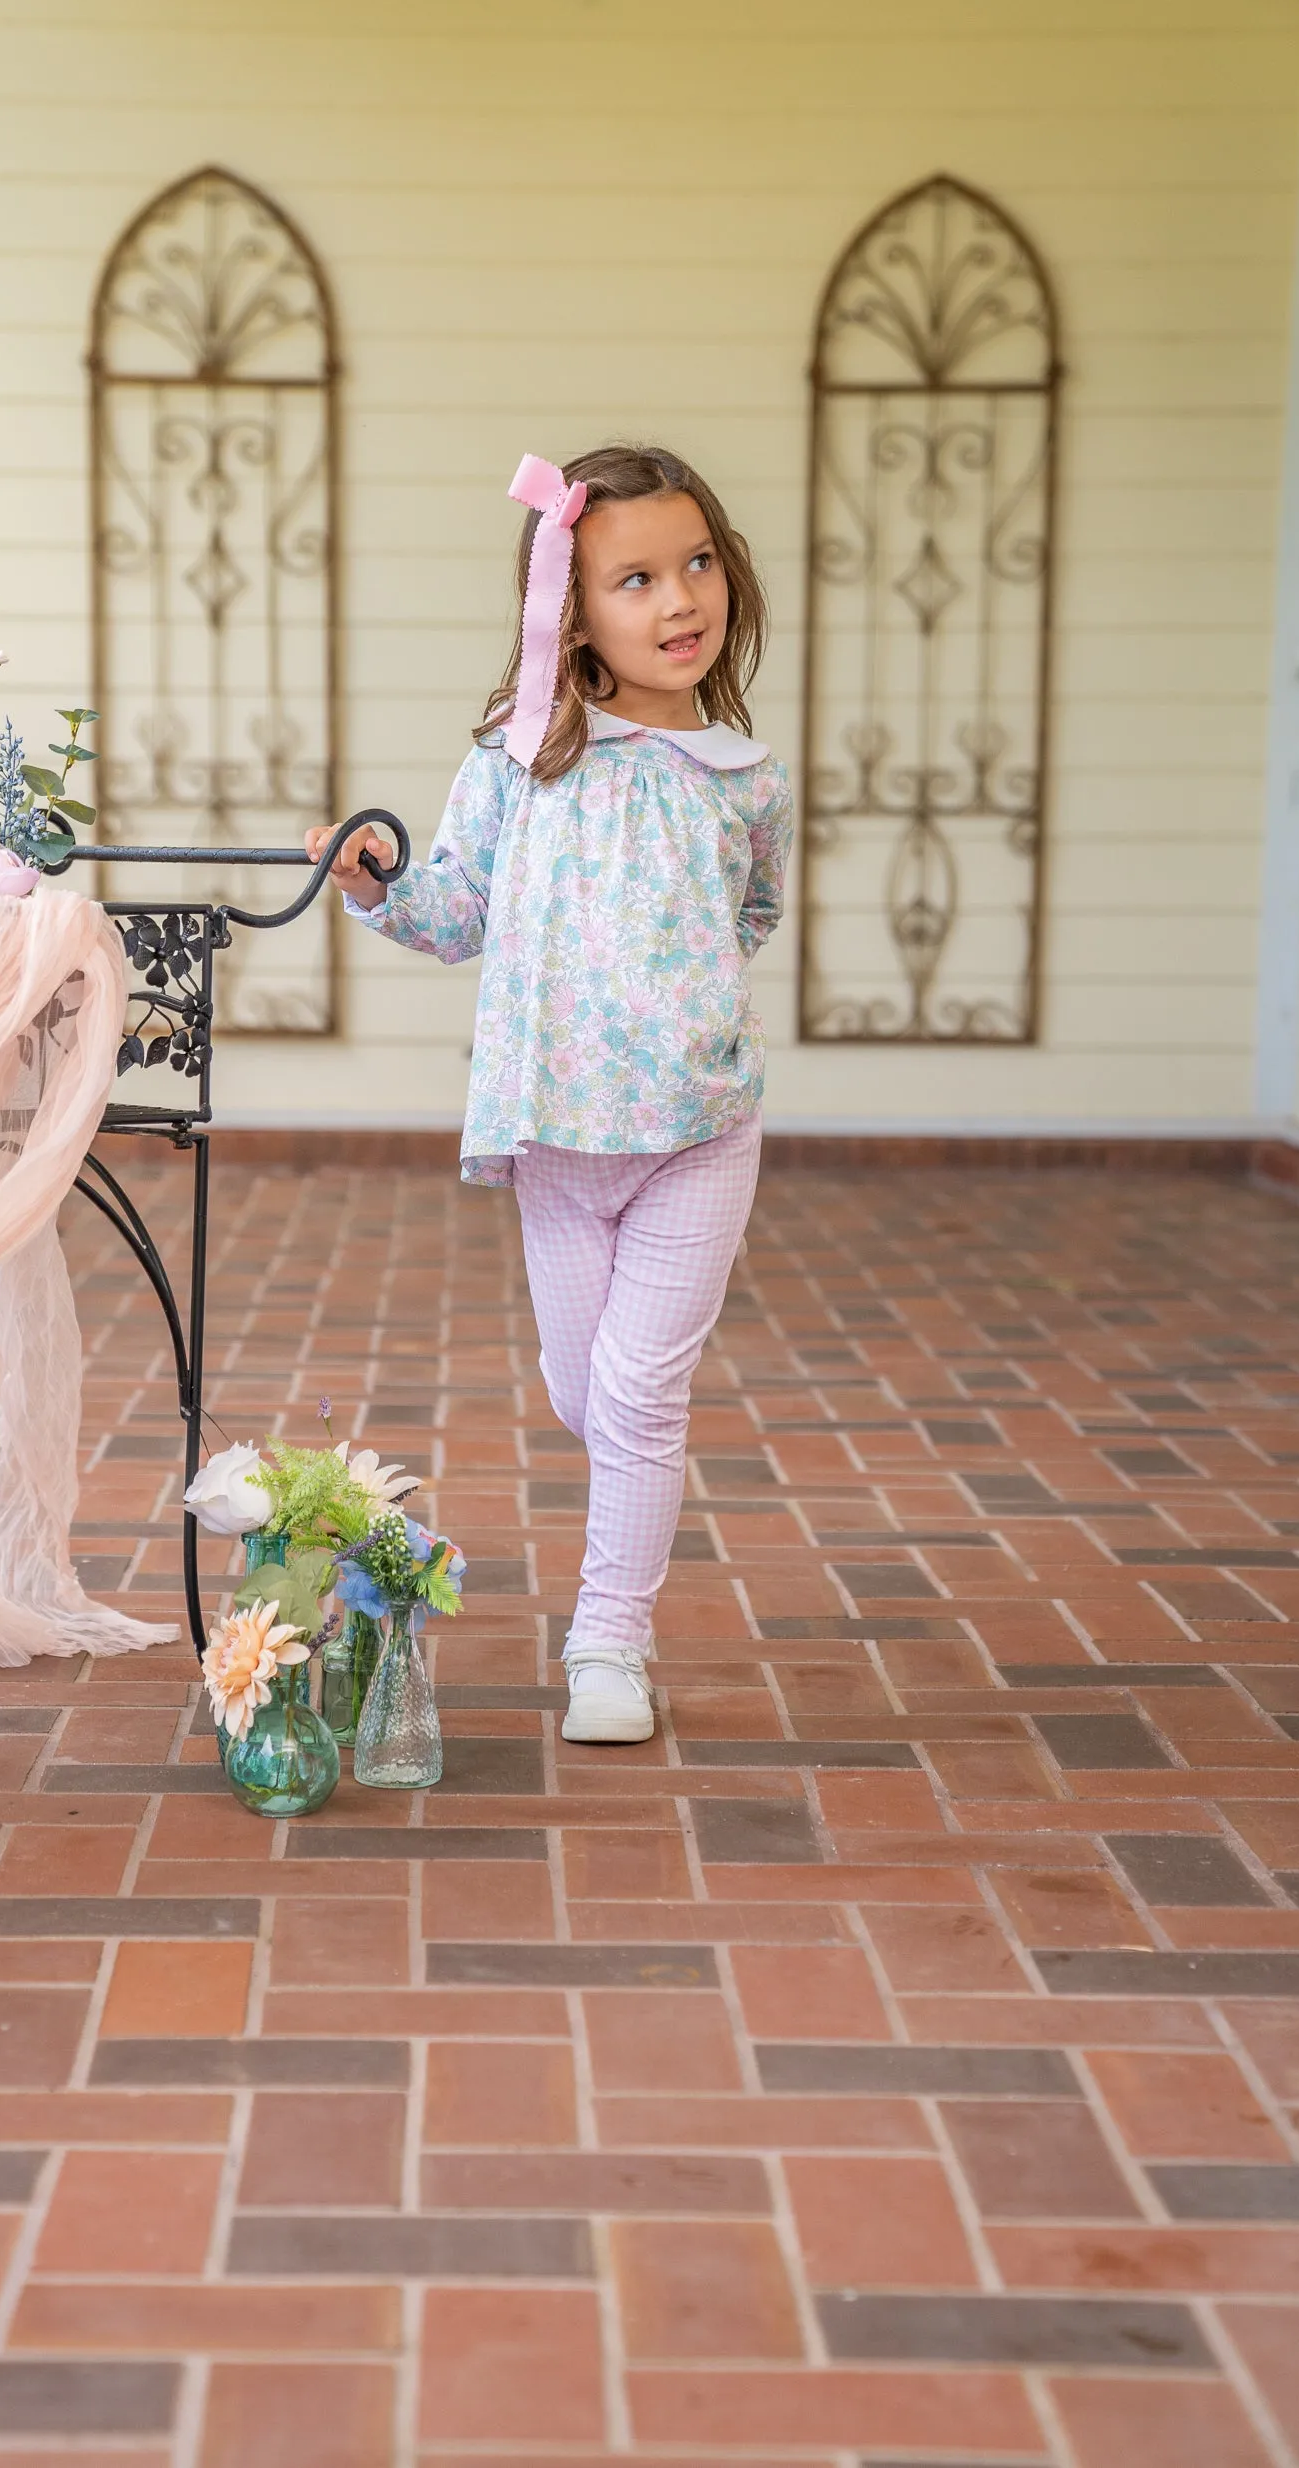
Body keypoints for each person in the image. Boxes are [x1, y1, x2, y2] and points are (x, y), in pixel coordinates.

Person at [306, 444, 793, 1743]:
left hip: (700, 1129)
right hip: (558, 1140)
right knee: (585, 1395)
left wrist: (660, 1008)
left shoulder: (745, 777)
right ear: (569, 613)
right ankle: (613, 1592)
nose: (677, 598)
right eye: (634, 578)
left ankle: (609, 1647)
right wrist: (371, 887)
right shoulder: (519, 762)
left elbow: (748, 915)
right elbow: (457, 911)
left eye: (695, 563)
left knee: (637, 1398)